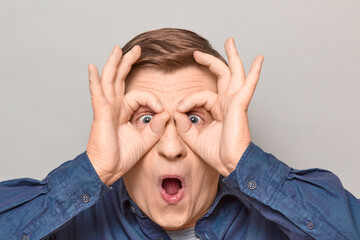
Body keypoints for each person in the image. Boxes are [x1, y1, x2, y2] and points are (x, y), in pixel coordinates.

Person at [0, 28, 359, 240]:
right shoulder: (70, 226)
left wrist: (243, 162)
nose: (171, 147)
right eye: (145, 120)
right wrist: (93, 169)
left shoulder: (279, 223)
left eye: (194, 118)